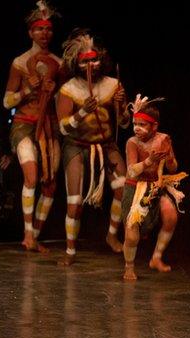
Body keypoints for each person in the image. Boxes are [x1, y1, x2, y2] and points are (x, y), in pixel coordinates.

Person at [56, 29, 129, 265]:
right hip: (77, 145)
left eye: (95, 59)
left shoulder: (113, 85)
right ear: (77, 64)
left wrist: (124, 109)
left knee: (123, 190)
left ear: (102, 60)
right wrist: (82, 112)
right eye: (86, 61)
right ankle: (70, 250)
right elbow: (64, 128)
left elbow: (123, 123)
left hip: (106, 145)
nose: (91, 65)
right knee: (74, 202)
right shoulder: (68, 90)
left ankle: (111, 235)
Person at [3, 1, 62, 252]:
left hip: (49, 126)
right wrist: (28, 90)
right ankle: (28, 234)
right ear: (30, 33)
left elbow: (63, 101)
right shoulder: (20, 62)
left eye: (48, 29)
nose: (44, 34)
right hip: (24, 125)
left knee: (49, 184)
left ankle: (35, 235)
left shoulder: (59, 64)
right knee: (32, 176)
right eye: (39, 29)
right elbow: (7, 101)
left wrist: (55, 91)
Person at [121, 95, 186, 280]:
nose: (137, 128)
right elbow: (132, 171)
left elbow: (173, 167)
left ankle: (156, 257)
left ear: (154, 126)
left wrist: (169, 158)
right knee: (132, 233)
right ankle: (129, 267)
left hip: (156, 185)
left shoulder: (163, 139)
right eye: (135, 124)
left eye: (142, 125)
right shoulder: (132, 143)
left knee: (171, 216)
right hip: (135, 188)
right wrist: (149, 160)